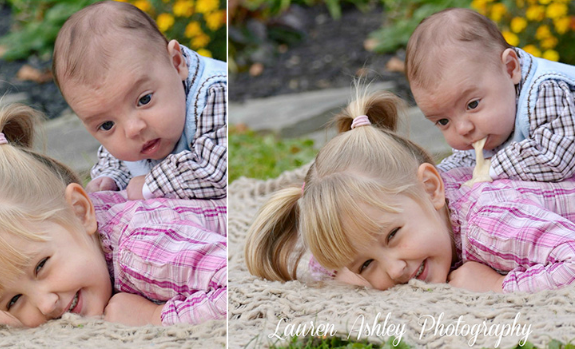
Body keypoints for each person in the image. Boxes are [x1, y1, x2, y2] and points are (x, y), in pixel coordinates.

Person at [0, 103, 226, 327]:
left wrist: (156, 317)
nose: (46, 304)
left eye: (41, 266)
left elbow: (233, 290)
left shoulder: (144, 250)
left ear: (80, 211)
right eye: (14, 300)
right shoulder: (34, 249)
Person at [245, 90, 575, 293]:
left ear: (432, 189)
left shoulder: (490, 223)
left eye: (392, 236)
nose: (394, 270)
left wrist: (498, 286)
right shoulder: (403, 212)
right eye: (366, 265)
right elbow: (330, 261)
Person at [52, 1, 227, 200]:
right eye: (107, 124)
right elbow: (118, 159)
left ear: (177, 63)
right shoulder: (132, 121)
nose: (132, 129)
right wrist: (111, 179)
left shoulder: (214, 94)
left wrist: (150, 185)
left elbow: (218, 172)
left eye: (144, 100)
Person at [405, 8, 575, 183]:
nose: (462, 129)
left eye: (472, 105)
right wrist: (440, 180)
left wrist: (488, 169)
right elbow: (466, 162)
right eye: (443, 121)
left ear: (510, 68)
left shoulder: (546, 91)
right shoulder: (483, 127)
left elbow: (555, 158)